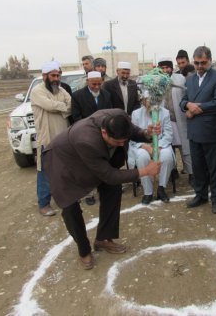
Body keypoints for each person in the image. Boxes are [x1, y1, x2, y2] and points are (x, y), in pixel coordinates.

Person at [42, 109, 161, 269]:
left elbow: (133, 132)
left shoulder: (119, 118)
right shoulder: (86, 140)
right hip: (63, 162)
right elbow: (109, 175)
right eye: (118, 142)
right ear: (104, 132)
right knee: (70, 207)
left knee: (113, 189)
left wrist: (147, 133)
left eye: (123, 141)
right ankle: (84, 250)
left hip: (95, 158)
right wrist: (145, 171)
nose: (121, 144)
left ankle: (104, 238)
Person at [180, 46, 216, 214]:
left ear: (210, 61)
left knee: (214, 167)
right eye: (197, 63)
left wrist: (194, 108)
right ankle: (200, 195)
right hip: (194, 132)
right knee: (198, 166)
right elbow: (183, 101)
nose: (199, 66)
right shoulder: (190, 79)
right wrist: (187, 105)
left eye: (203, 63)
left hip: (211, 131)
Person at [30, 61, 71, 216]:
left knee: (63, 168)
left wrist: (58, 106)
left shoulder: (61, 91)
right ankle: (44, 204)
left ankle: (64, 197)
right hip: (46, 138)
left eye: (58, 75)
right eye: (53, 75)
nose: (56, 78)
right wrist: (61, 107)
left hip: (62, 136)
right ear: (44, 76)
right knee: (45, 171)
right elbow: (49, 106)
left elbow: (71, 105)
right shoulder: (37, 91)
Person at [71, 71, 112, 205]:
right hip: (86, 136)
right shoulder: (77, 96)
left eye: (99, 84)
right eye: (93, 84)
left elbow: (109, 114)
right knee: (87, 165)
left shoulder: (106, 95)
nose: (96, 87)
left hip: (103, 135)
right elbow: (76, 117)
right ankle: (89, 193)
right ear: (88, 82)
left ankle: (105, 188)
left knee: (103, 163)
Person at [128, 91, 175, 204]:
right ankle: (148, 192)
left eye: (154, 101)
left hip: (161, 144)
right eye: (148, 101)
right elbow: (133, 137)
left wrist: (158, 147)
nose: (151, 104)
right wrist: (146, 147)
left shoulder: (165, 113)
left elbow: (168, 133)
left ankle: (161, 188)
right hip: (141, 146)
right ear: (143, 102)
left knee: (167, 155)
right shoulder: (136, 114)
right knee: (142, 157)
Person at [157, 57, 193, 185]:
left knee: (185, 148)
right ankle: (172, 171)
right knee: (168, 147)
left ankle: (191, 173)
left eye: (167, 67)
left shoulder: (180, 79)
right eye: (162, 68)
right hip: (166, 121)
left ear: (172, 68)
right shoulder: (156, 82)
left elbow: (187, 96)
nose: (165, 70)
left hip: (180, 119)